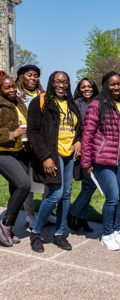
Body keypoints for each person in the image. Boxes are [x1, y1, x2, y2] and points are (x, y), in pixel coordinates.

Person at [27, 71, 82, 253]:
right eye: (57, 81)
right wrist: (45, 157)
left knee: (66, 195)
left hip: (68, 156)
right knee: (55, 195)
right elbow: (33, 132)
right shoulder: (39, 102)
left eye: (65, 82)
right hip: (53, 155)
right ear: (51, 82)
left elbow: (78, 127)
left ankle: (59, 234)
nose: (61, 85)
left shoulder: (70, 103)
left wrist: (78, 141)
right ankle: (35, 233)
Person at [81, 71, 120, 251]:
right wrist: (86, 162)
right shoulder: (97, 105)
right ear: (105, 86)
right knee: (112, 197)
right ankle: (107, 234)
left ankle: (117, 230)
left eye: (119, 84)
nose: (116, 87)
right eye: (112, 84)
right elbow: (87, 135)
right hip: (102, 159)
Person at [15, 65, 55, 230]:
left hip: (41, 142)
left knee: (48, 178)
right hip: (24, 144)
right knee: (28, 181)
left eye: (36, 75)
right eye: (29, 75)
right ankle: (30, 215)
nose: (33, 78)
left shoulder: (44, 95)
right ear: (21, 77)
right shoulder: (15, 94)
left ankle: (46, 213)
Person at [0, 71, 31, 247]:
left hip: (19, 151)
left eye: (13, 86)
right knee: (24, 185)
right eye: (7, 87)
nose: (12, 89)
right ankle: (5, 225)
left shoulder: (19, 103)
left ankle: (7, 226)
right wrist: (14, 133)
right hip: (3, 152)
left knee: (15, 190)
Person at [67, 78, 99, 232]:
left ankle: (82, 219)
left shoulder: (99, 101)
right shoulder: (75, 103)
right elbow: (75, 126)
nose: (87, 89)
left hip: (97, 148)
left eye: (89, 86)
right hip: (83, 147)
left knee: (88, 184)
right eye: (83, 87)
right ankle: (72, 213)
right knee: (90, 184)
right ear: (79, 89)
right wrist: (78, 141)